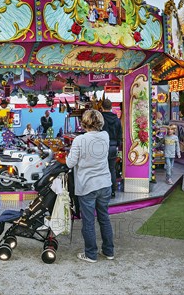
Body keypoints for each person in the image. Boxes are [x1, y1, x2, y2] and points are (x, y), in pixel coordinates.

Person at [65, 109, 114, 263]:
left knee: (88, 221)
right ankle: (109, 251)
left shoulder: (80, 140)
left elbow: (70, 163)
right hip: (105, 183)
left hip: (87, 186)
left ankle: (91, 254)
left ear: (84, 122)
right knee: (104, 218)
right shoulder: (105, 136)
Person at [101, 99, 123, 198]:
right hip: (113, 147)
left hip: (102, 147)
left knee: (101, 169)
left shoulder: (100, 119)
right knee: (112, 169)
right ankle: (113, 191)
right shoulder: (117, 119)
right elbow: (120, 134)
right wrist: (117, 144)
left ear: (102, 107)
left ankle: (103, 191)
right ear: (111, 107)